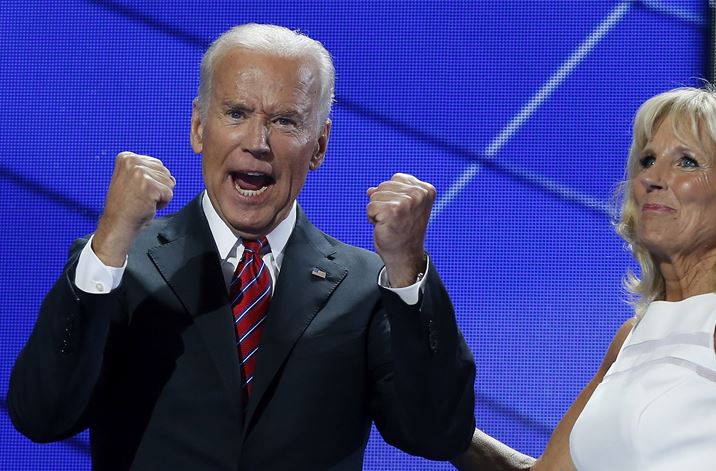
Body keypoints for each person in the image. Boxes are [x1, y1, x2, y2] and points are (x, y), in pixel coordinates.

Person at [8, 23, 476, 470]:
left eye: (285, 121)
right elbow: (42, 416)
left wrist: (405, 265)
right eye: (236, 113)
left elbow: (436, 434)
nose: (257, 142)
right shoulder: (121, 264)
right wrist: (109, 239)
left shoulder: (365, 286)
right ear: (198, 128)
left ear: (319, 146)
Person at [451, 87, 716, 470]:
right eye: (647, 160)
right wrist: (442, 428)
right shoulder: (631, 337)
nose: (652, 179)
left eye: (688, 162)